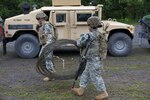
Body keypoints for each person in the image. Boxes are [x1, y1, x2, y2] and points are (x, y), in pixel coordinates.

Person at [71, 16, 108, 100]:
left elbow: (79, 43)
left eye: (88, 25)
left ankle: (104, 93)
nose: (88, 27)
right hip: (92, 59)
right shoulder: (99, 34)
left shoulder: (90, 35)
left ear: (91, 26)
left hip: (93, 59)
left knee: (95, 76)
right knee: (86, 73)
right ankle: (81, 89)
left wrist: (80, 37)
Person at [36, 11, 56, 81]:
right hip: (46, 44)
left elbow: (49, 37)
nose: (38, 21)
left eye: (38, 19)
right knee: (42, 59)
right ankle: (51, 73)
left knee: (47, 59)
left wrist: (47, 47)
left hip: (48, 45)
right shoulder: (44, 25)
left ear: (42, 19)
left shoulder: (47, 25)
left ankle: (51, 75)